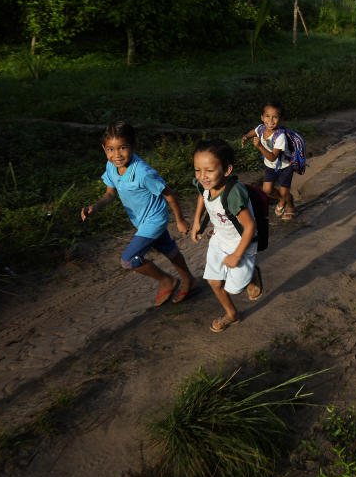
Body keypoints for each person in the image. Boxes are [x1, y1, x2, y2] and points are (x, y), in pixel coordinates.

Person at [81, 121, 200, 306]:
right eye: (111, 149)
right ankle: (189, 280)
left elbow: (168, 194)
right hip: (141, 221)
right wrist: (95, 207)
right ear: (104, 149)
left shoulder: (143, 173)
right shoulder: (111, 166)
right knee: (168, 249)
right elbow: (110, 193)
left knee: (128, 260)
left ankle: (166, 280)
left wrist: (180, 220)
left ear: (134, 146)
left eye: (122, 148)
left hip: (155, 220)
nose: (116, 154)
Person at [190, 139, 262, 333]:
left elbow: (250, 227)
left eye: (209, 170)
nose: (202, 176)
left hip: (241, 242)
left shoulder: (232, 194)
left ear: (227, 170)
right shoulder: (203, 183)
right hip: (219, 238)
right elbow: (201, 194)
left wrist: (237, 255)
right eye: (197, 169)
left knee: (234, 288)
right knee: (214, 282)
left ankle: (252, 275)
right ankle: (231, 314)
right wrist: (197, 220)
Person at [243, 102, 296, 221]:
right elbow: (254, 131)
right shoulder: (261, 128)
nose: (271, 120)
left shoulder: (280, 137)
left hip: (285, 167)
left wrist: (260, 146)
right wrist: (246, 137)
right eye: (267, 116)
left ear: (279, 119)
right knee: (267, 189)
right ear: (262, 117)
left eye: (275, 117)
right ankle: (281, 200)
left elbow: (273, 157)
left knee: (284, 191)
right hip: (270, 166)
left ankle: (291, 207)